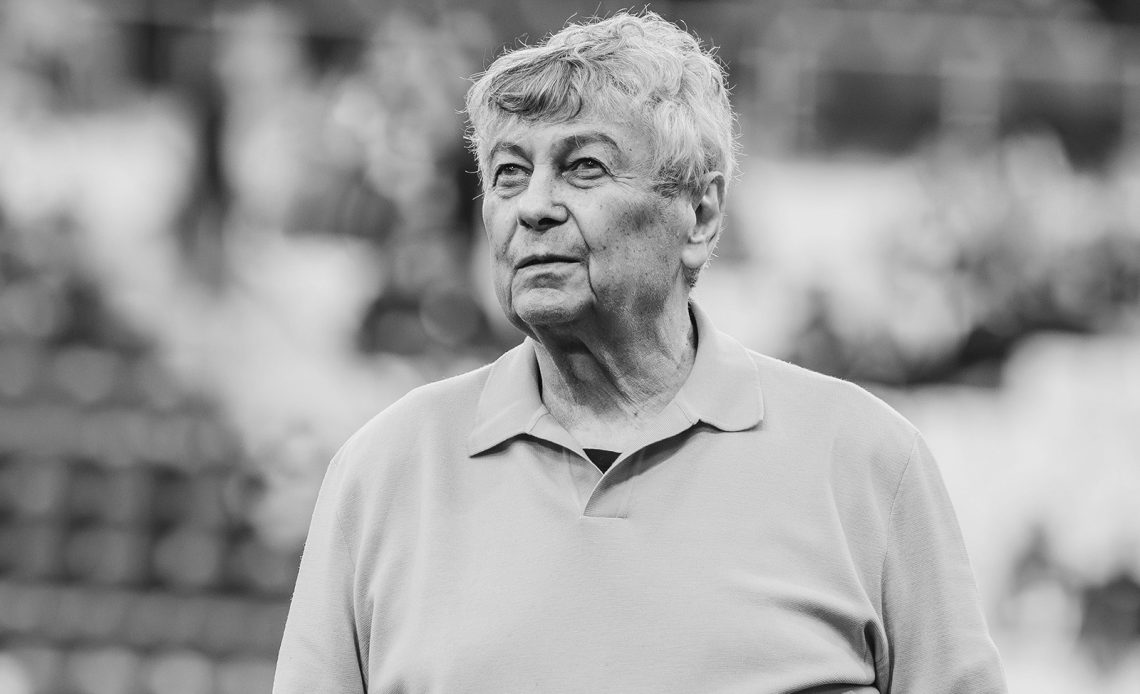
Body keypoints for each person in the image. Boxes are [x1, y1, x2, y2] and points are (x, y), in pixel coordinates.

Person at [273, 11, 1007, 693]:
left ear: (700, 213)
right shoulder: (383, 473)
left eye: (583, 167)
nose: (533, 206)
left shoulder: (867, 462)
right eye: (508, 173)